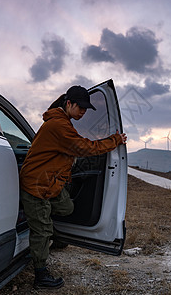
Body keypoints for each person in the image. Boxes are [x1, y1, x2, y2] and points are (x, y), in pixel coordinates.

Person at [19, 85, 127, 289]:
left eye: (87, 108)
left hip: (49, 183)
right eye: (81, 107)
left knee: (66, 208)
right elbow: (84, 147)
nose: (84, 112)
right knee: (41, 230)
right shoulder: (59, 126)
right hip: (37, 187)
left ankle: (53, 234)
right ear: (69, 104)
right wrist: (114, 140)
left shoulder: (62, 122)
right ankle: (41, 276)